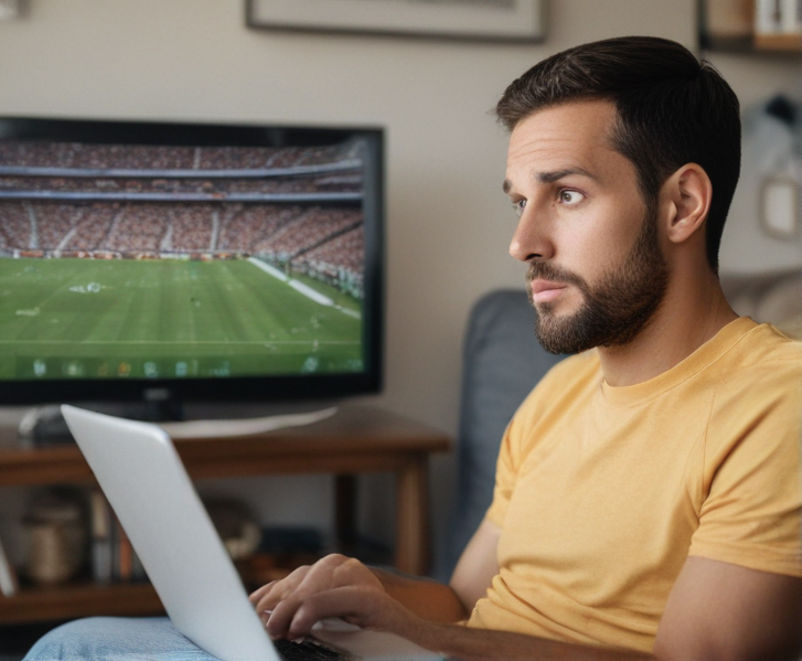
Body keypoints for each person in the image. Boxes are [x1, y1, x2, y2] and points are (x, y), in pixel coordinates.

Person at [24, 35, 802, 661]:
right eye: (519, 201)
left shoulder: (777, 401)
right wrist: (365, 591)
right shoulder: (559, 393)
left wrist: (420, 637)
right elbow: (461, 599)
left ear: (682, 205)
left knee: (76, 646)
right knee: (82, 640)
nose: (522, 241)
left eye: (566, 194)